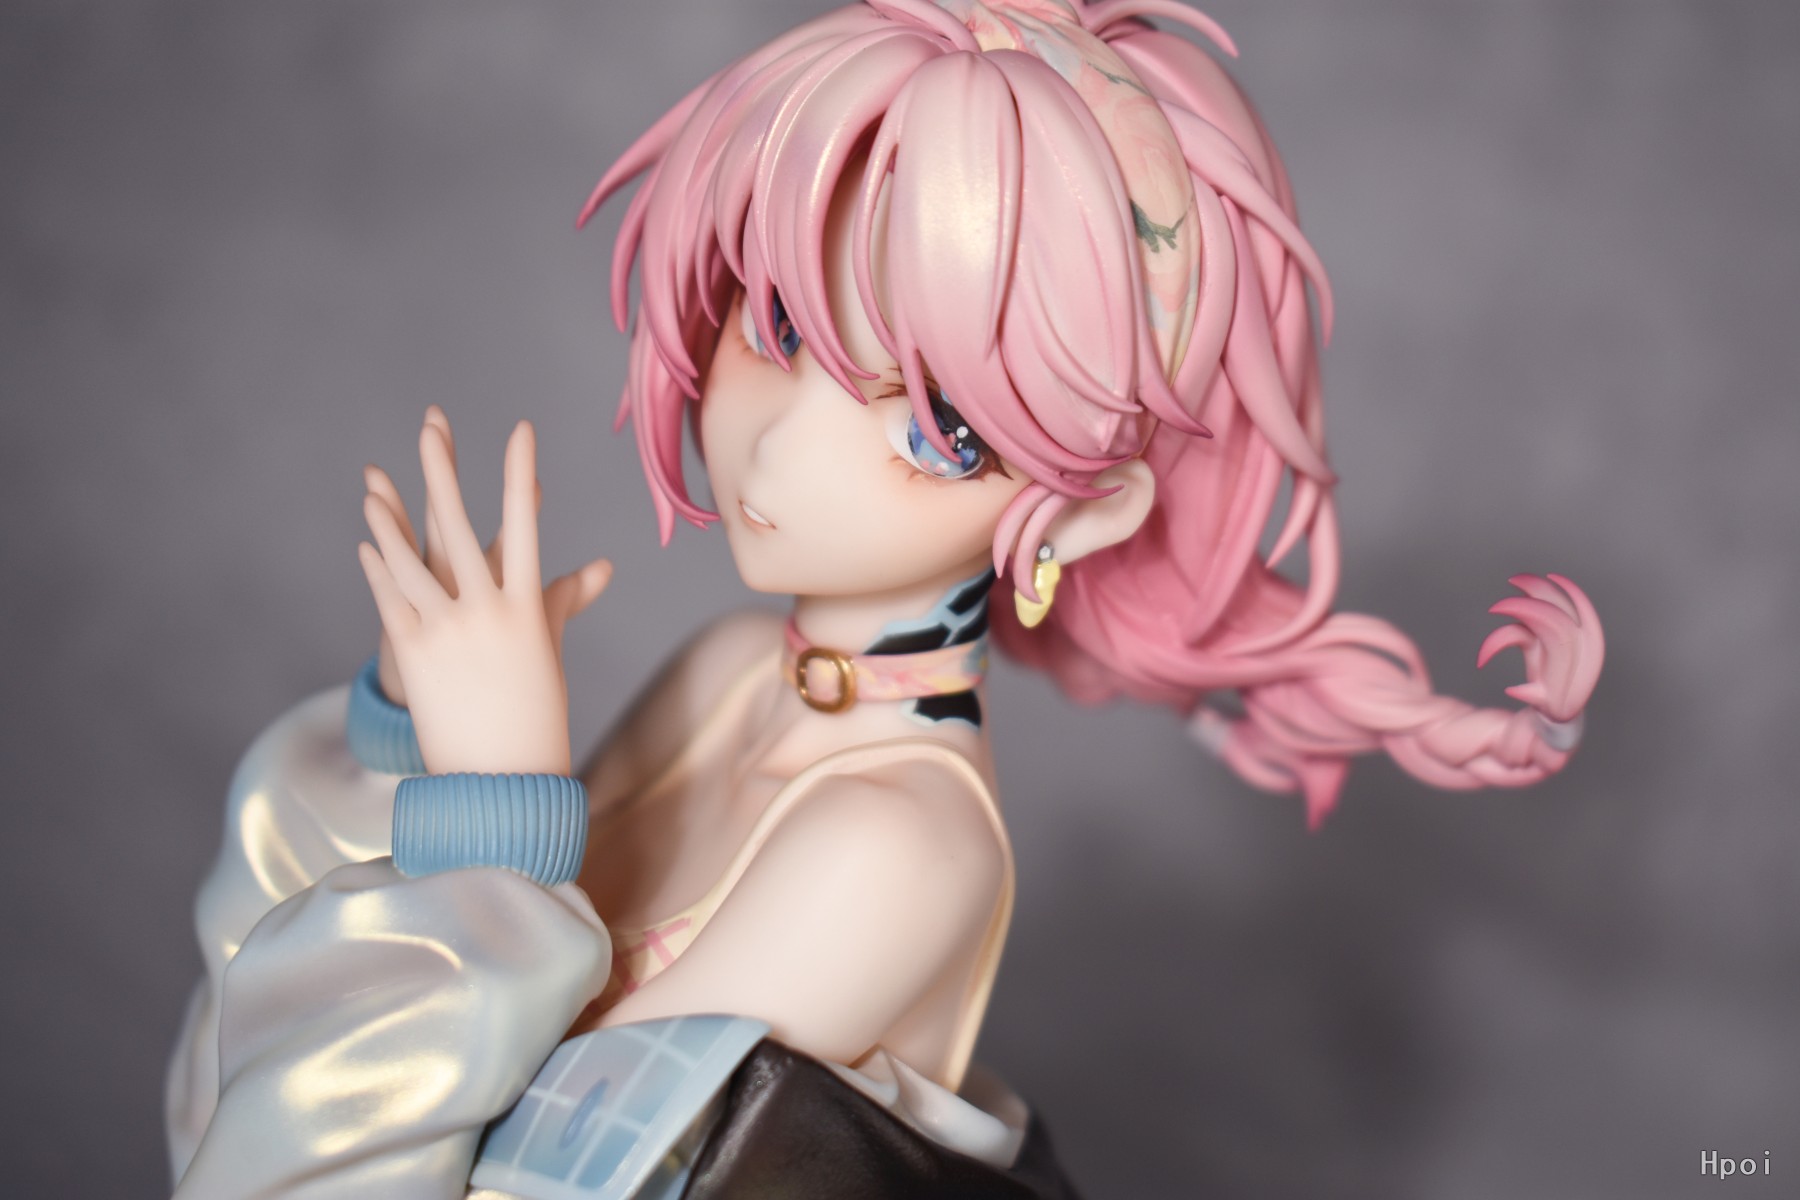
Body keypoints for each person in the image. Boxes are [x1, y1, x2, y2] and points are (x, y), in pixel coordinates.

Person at [165, 1, 1604, 1195]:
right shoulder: (731, 667)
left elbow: (504, 1168)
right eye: (780, 323)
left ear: (1081, 508)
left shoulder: (903, 845)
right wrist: (411, 736)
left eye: (937, 429)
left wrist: (491, 806)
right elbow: (257, 1071)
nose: (783, 447)